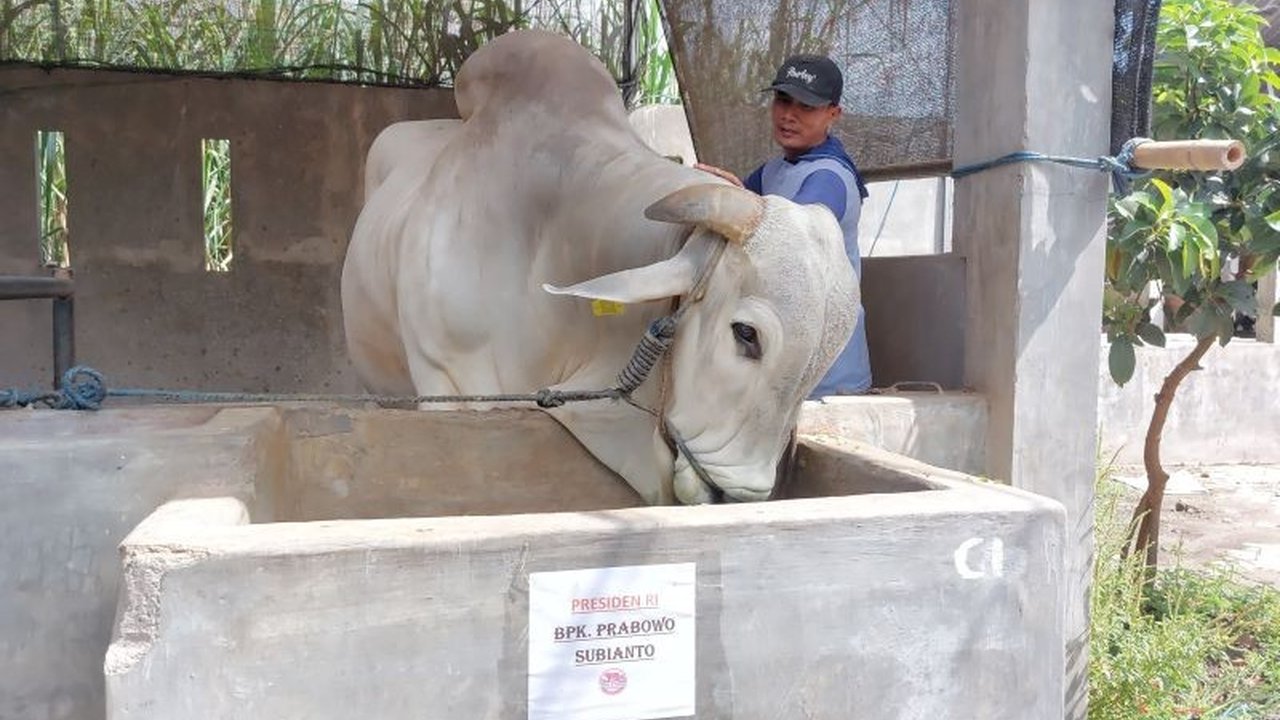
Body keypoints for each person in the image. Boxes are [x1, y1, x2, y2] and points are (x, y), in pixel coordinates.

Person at [696, 54, 872, 397]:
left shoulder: (830, 176)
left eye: (806, 106)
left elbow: (793, 235)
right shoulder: (775, 170)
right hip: (784, 368)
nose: (788, 115)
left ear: (833, 114)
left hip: (828, 384)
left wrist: (740, 200)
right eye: (782, 100)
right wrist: (729, 193)